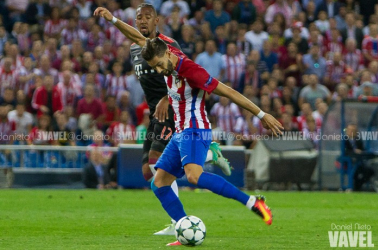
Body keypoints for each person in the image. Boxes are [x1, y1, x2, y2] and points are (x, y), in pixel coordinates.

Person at [94, 7, 284, 246]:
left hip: (196, 128)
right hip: (180, 132)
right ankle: (185, 228)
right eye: (156, 68)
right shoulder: (160, 50)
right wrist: (112, 20)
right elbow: (138, 38)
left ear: (167, 53)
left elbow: (229, 91)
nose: (161, 71)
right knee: (158, 183)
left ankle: (254, 202)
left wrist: (261, 113)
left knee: (194, 176)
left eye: (161, 66)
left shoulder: (193, 71)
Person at [122, 3, 233, 236]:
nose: (142, 21)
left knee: (156, 161)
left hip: (173, 108)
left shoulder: (169, 44)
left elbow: (179, 74)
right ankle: (211, 152)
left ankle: (178, 223)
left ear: (156, 21)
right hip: (155, 113)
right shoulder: (135, 48)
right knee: (148, 171)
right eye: (138, 17)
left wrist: (165, 98)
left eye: (147, 17)